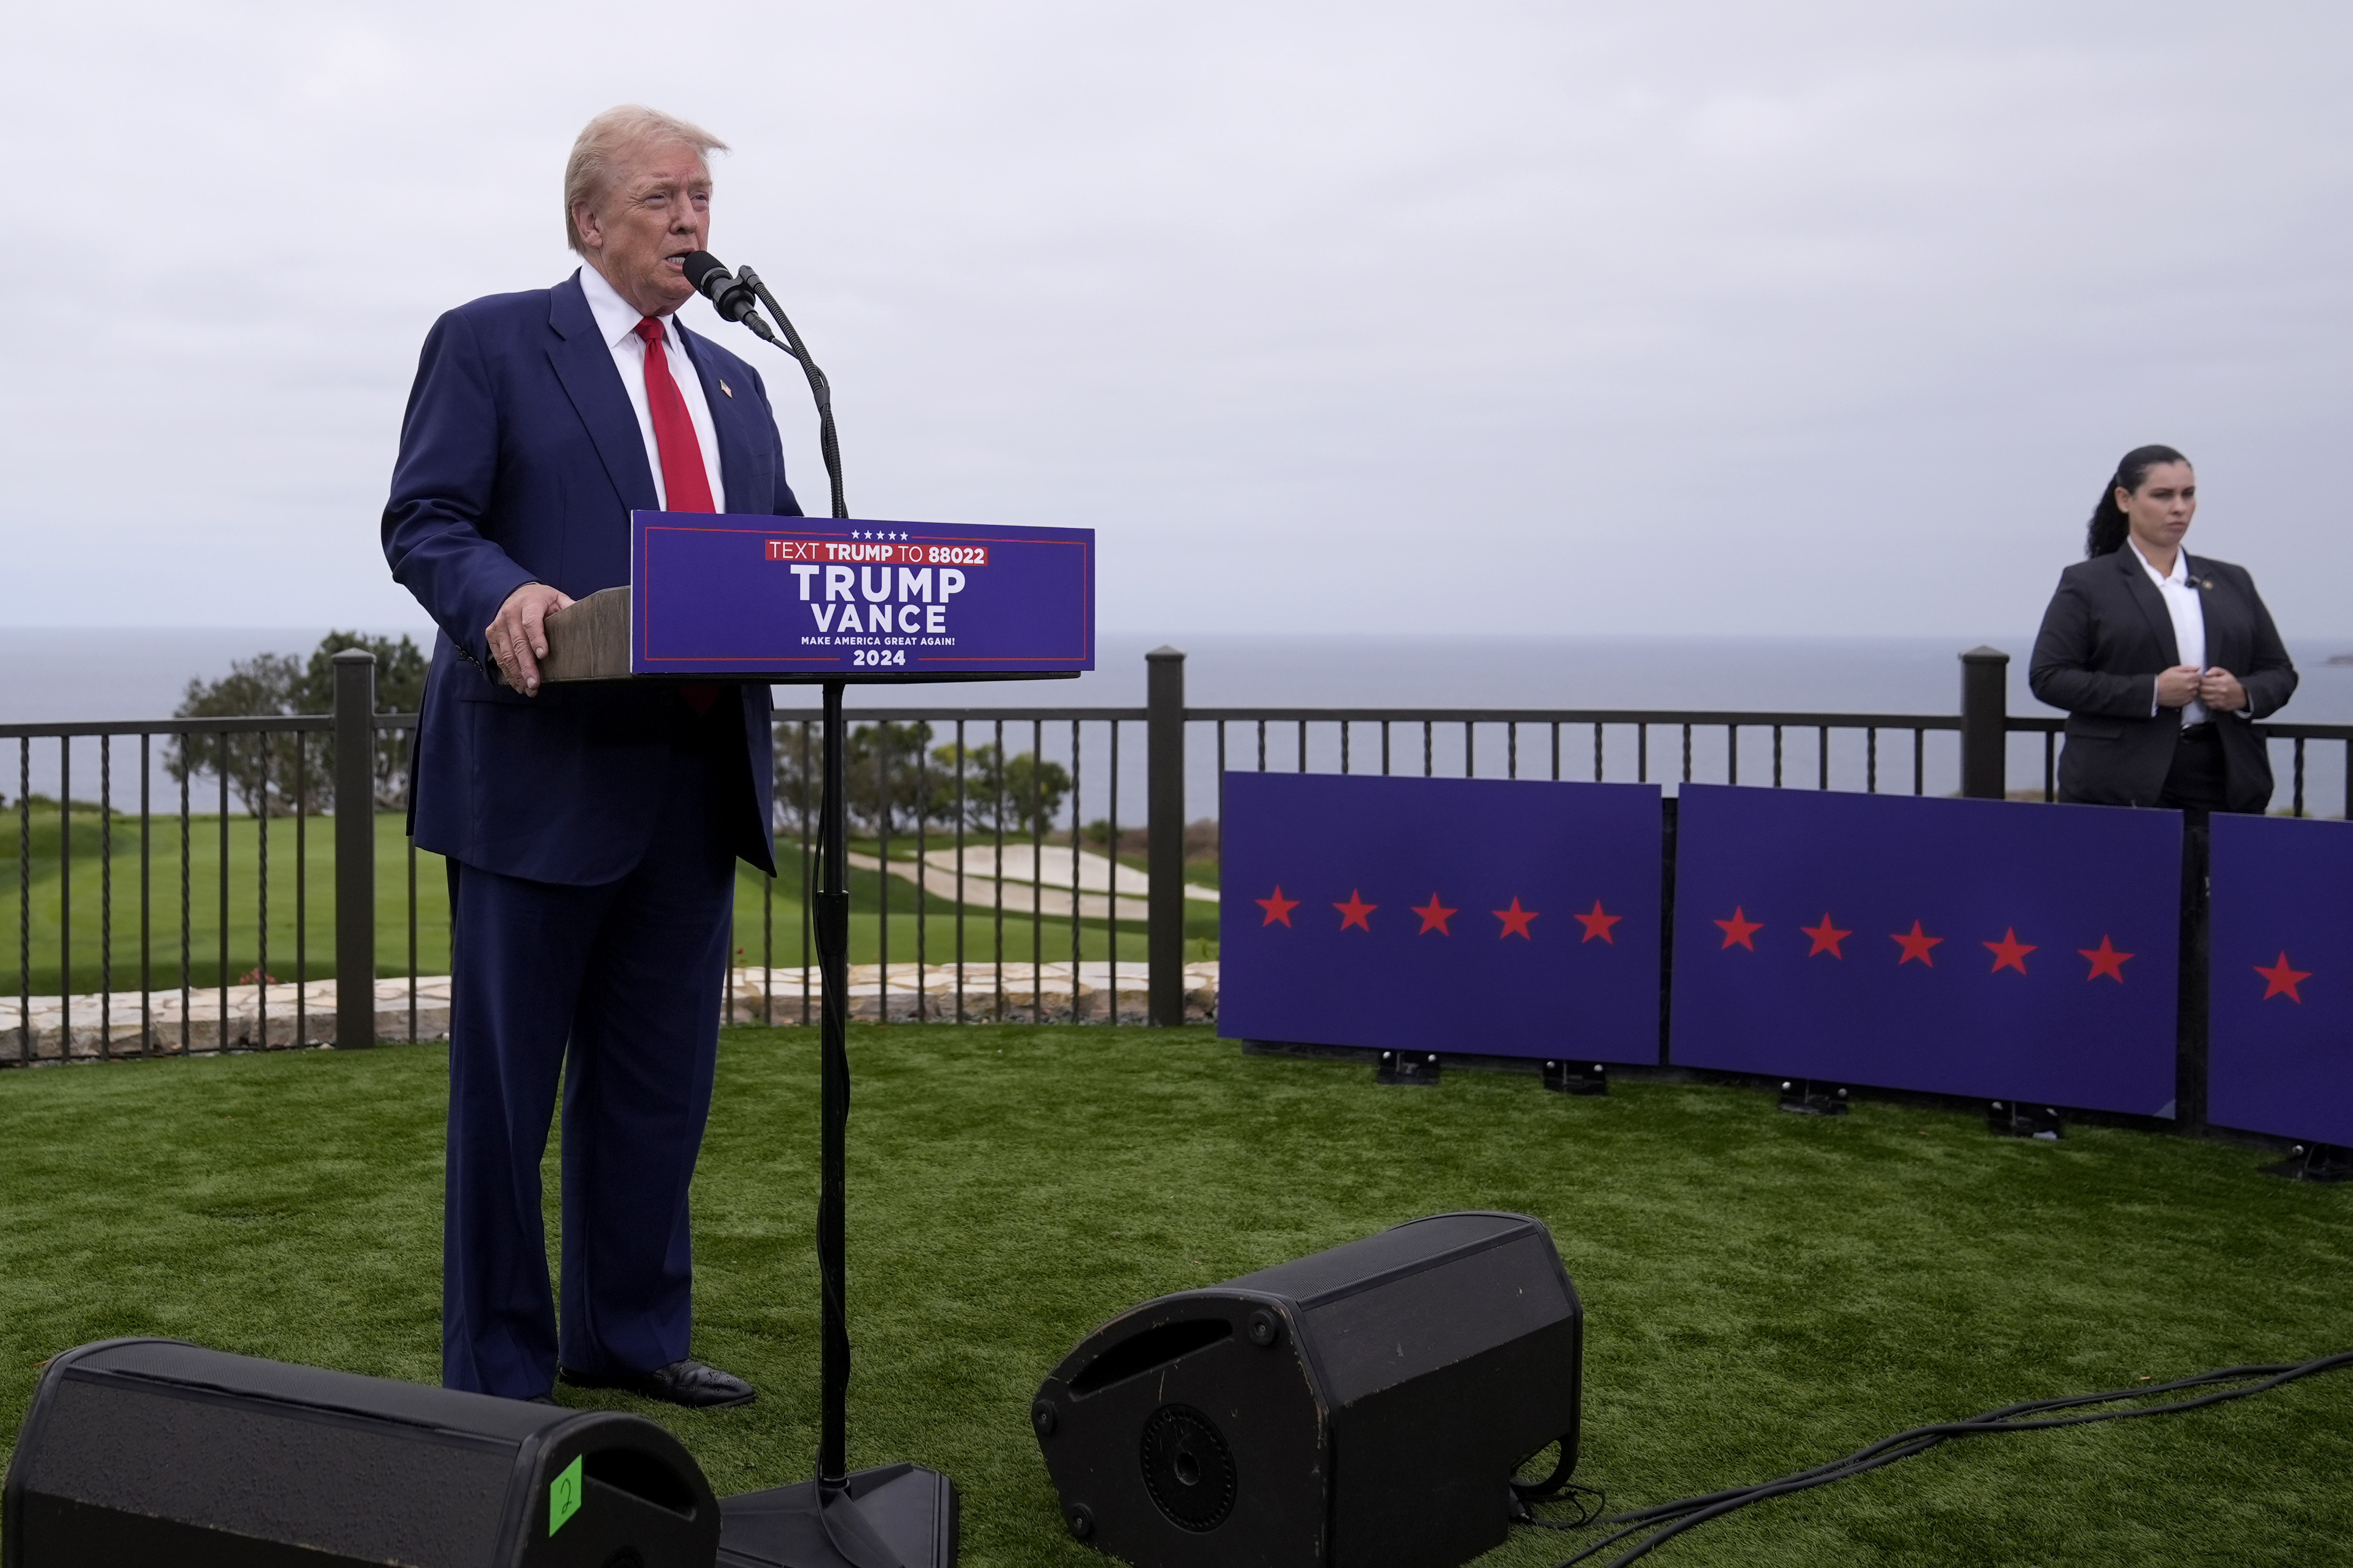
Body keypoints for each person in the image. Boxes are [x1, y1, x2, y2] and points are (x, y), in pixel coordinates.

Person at [382, 106, 801, 1407]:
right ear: (590, 221)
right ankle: (501, 1371)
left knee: (656, 1089)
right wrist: (502, 593)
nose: (692, 224)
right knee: (508, 1109)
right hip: (539, 777)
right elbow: (427, 519)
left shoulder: (738, 379)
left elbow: (778, 552)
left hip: (691, 784)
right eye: (666, 200)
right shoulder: (494, 341)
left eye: (703, 203)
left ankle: (626, 1334)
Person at [2029, 445, 2295, 813]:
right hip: (2118, 781)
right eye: (2163, 495)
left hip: (2223, 778)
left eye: (2188, 494)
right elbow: (2049, 676)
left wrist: (2243, 694)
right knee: (2127, 874)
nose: (2179, 507)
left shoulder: (2233, 580)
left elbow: (2280, 672)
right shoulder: (2087, 582)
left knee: (2216, 873)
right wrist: (2152, 691)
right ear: (2125, 499)